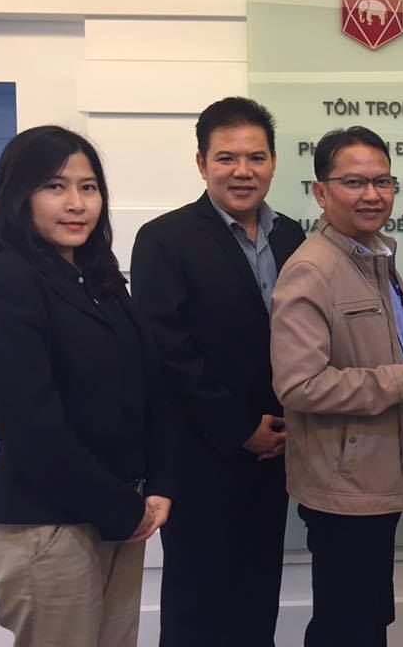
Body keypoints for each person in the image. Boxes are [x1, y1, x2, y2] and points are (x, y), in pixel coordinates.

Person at [0, 126, 173, 647]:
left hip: (118, 517)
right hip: (47, 526)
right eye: (55, 187)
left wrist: (157, 483)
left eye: (88, 187)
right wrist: (121, 508)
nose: (76, 204)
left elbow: (144, 389)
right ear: (20, 195)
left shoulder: (100, 278)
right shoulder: (2, 280)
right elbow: (28, 423)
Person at [270, 126, 403, 646]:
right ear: (321, 192)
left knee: (367, 620)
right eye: (354, 182)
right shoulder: (311, 269)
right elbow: (300, 385)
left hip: (378, 468)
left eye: (383, 181)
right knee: (346, 626)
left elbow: (392, 353)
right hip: (342, 484)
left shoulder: (374, 256)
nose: (372, 195)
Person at [130, 97, 305, 646]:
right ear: (202, 164)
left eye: (256, 157)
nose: (242, 171)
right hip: (199, 456)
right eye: (227, 158)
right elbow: (168, 352)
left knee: (257, 596)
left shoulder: (292, 236)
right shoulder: (164, 239)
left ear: (273, 162)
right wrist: (239, 429)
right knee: (198, 608)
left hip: (276, 451)